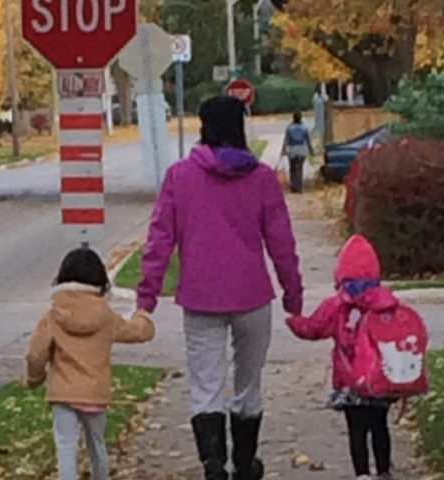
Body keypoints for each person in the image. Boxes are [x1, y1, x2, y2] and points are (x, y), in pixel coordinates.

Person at [137, 95, 303, 480]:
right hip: (252, 296)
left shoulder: (180, 176)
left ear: (203, 127)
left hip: (200, 296)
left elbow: (160, 239)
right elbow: (281, 241)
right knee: (249, 383)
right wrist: (292, 293)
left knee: (205, 384)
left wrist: (147, 296)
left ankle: (213, 462)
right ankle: (245, 463)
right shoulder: (261, 179)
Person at [26, 248, 156, 480]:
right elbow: (137, 332)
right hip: (95, 393)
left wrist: (35, 378)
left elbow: (36, 353)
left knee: (65, 447)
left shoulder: (54, 315)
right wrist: (143, 315)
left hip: (63, 394)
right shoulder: (105, 316)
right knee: (97, 445)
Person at [286, 235, 396, 480]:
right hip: (379, 378)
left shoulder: (336, 305)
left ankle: (362, 473)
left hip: (349, 379)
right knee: (380, 425)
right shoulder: (386, 302)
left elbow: (314, 328)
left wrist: (294, 320)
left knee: (356, 428)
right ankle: (384, 470)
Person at [281, 111, 314, 193]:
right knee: (300, 168)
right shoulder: (304, 127)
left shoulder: (289, 127)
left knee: (292, 168)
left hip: (292, 150)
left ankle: (293, 185)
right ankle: (299, 186)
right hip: (302, 149)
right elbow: (308, 140)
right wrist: (311, 150)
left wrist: (283, 150)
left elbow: (286, 140)